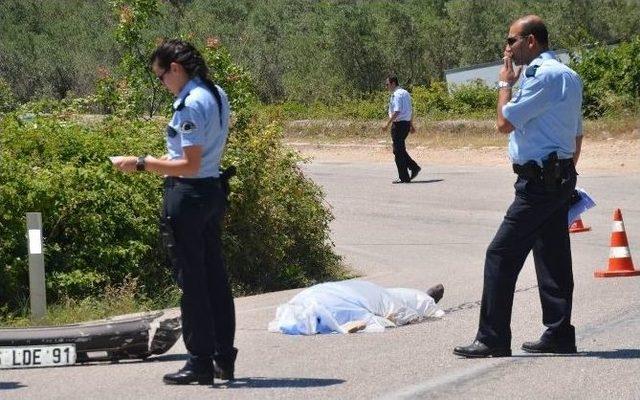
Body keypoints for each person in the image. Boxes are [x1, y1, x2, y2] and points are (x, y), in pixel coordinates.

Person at [454, 15, 583, 358]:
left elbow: (504, 123)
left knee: (500, 254)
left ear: (531, 41)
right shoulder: (568, 75)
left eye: (511, 40)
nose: (506, 47)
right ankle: (559, 333)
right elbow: (577, 133)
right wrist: (566, 173)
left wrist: (504, 84)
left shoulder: (543, 76)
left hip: (539, 182)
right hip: (556, 177)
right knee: (552, 255)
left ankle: (493, 337)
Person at [113, 39, 237, 384]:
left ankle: (199, 361)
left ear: (176, 69)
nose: (162, 84)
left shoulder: (190, 102)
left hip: (190, 195)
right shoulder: (215, 92)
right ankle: (222, 357)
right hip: (211, 189)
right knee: (215, 277)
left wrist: (139, 163)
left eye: (161, 76)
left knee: (193, 282)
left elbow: (188, 162)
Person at [268, 280, 444, 335]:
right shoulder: (302, 304)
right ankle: (427, 298)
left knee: (396, 298)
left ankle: (426, 298)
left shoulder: (300, 305)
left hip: (357, 292)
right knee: (398, 299)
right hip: (359, 293)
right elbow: (374, 319)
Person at [382, 75, 421, 183]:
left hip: (398, 125)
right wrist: (411, 125)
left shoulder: (396, 94)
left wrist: (387, 124)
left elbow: (397, 111)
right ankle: (413, 167)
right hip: (405, 124)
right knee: (399, 149)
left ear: (393, 83)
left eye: (387, 84)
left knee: (397, 151)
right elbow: (410, 110)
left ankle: (405, 176)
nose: (387, 87)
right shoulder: (405, 93)